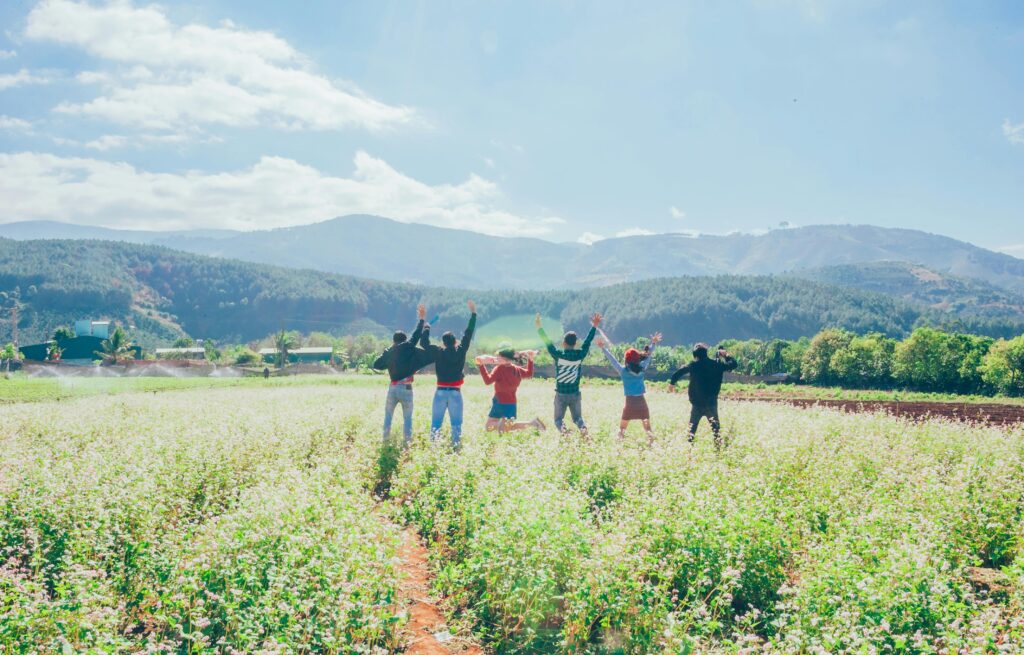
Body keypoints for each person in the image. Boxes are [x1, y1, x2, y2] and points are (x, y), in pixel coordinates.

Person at [420, 300, 477, 448]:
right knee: (456, 425)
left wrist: (426, 328)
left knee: (436, 424)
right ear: (455, 341)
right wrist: (473, 314)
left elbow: (424, 344)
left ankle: (434, 448)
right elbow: (468, 334)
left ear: (444, 343)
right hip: (455, 393)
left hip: (440, 392)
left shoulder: (438, 352)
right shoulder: (461, 350)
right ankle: (456, 448)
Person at [372, 305, 431, 445]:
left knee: (388, 416)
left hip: (392, 388)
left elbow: (376, 364)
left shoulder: (390, 352)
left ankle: (385, 440)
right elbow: (416, 335)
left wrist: (387, 352)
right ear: (404, 340)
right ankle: (407, 443)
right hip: (406, 388)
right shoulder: (407, 347)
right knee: (408, 418)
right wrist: (422, 320)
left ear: (393, 340)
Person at [535, 312, 602, 437]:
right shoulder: (580, 355)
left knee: (558, 420)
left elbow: (548, 343)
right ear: (576, 344)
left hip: (561, 394)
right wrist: (594, 326)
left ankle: (565, 432)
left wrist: (539, 327)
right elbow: (587, 342)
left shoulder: (559, 355)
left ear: (564, 343)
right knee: (577, 418)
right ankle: (582, 427)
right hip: (575, 393)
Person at [668, 343, 737, 449]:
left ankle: (689, 453)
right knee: (716, 431)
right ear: (706, 354)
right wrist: (726, 355)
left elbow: (678, 373)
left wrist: (672, 384)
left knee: (691, 432)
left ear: (695, 355)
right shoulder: (716, 365)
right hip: (711, 404)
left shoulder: (693, 365)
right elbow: (733, 364)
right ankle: (718, 452)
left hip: (697, 404)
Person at [597, 332, 662, 442]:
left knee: (622, 430)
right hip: (642, 402)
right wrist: (653, 343)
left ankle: (618, 450)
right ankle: (652, 447)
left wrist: (603, 348)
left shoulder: (623, 371)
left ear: (626, 360)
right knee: (648, 430)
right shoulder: (642, 368)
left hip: (630, 403)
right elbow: (648, 355)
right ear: (637, 359)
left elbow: (612, 360)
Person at [476, 345, 544, 433]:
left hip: (500, 401)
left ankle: (503, 425)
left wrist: (481, 366)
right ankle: (533, 423)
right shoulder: (517, 370)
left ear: (505, 358)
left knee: (490, 426)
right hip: (511, 403)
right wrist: (530, 360)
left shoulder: (499, 369)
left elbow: (488, 381)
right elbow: (529, 374)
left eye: (498, 357)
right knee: (508, 427)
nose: (496, 359)